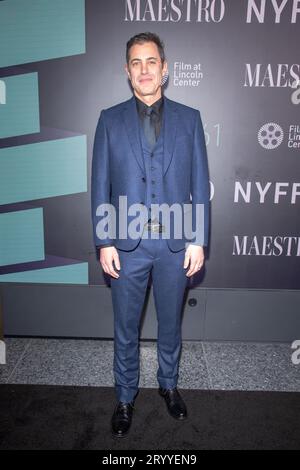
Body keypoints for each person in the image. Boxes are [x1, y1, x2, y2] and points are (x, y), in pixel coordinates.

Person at [91, 32, 210, 438]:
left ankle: (169, 384)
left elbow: (200, 183)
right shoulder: (109, 119)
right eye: (136, 63)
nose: (145, 70)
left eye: (151, 61)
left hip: (175, 245)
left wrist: (198, 240)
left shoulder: (190, 119)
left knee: (171, 325)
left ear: (165, 68)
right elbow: (101, 185)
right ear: (128, 72)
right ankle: (125, 396)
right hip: (127, 246)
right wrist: (104, 240)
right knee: (126, 326)